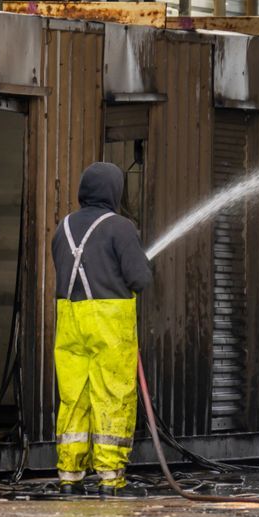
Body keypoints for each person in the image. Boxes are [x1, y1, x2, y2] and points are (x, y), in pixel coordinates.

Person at [51, 161, 153, 496]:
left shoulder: (62, 228)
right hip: (110, 320)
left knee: (74, 397)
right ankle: (110, 476)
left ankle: (70, 474)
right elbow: (140, 279)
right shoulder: (120, 227)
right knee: (112, 394)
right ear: (114, 190)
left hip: (69, 319)